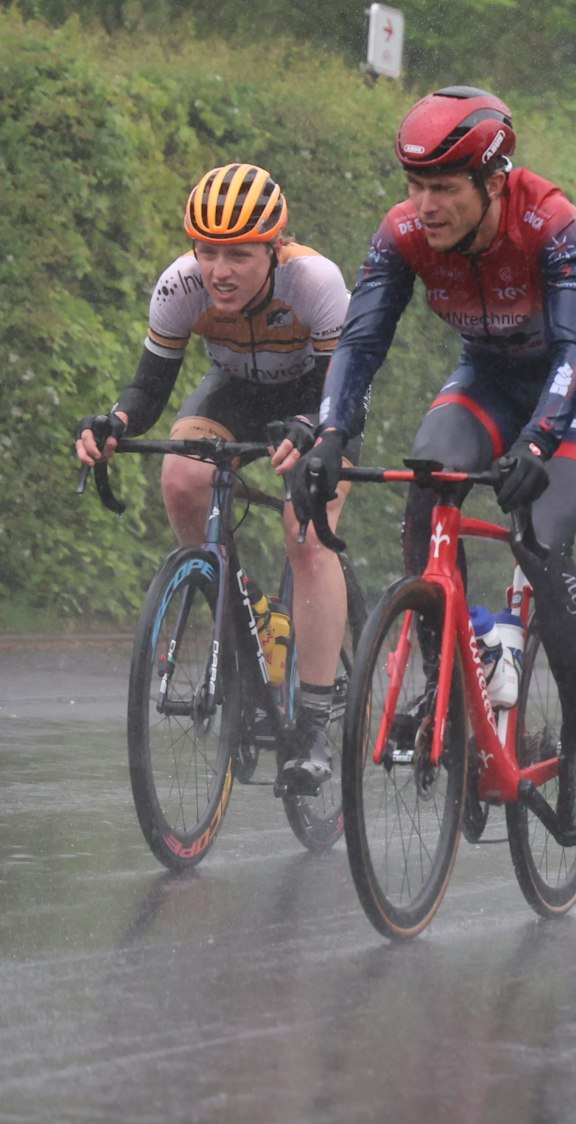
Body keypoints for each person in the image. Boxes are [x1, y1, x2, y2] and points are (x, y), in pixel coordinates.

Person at [297, 87, 576, 839]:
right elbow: (360, 341)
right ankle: (443, 692)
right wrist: (330, 434)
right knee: (429, 481)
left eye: (445, 188)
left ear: (494, 181)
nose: (425, 206)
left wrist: (539, 442)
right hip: (488, 375)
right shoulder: (402, 233)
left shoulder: (550, 222)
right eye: (415, 186)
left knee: (540, 537)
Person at [75, 163, 353, 795]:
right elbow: (149, 388)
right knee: (180, 477)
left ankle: (314, 722)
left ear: (274, 249)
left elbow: (344, 388)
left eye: (239, 254)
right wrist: (115, 421)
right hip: (234, 392)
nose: (219, 271)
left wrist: (312, 427)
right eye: (207, 251)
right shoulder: (180, 285)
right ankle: (244, 617)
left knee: (307, 532)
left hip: (318, 401)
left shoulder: (315, 281)